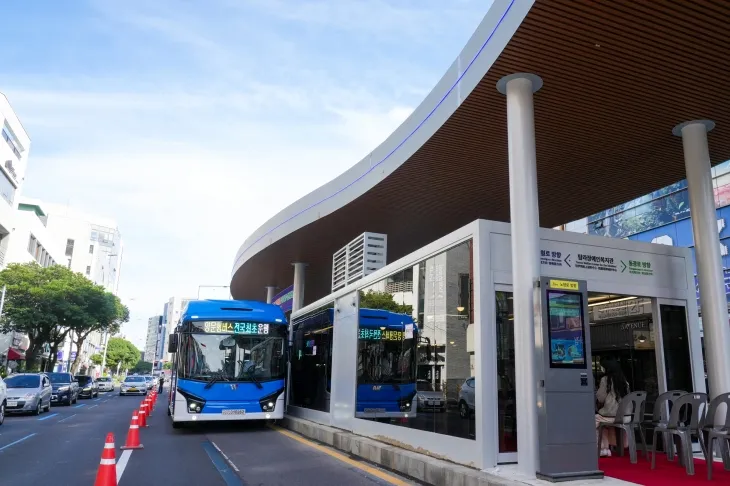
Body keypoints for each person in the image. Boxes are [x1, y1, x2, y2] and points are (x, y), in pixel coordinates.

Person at [595, 359, 630, 457]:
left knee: (595, 421)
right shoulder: (624, 381)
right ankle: (619, 444)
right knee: (605, 424)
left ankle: (603, 448)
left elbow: (600, 398)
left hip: (611, 416)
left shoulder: (606, 380)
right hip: (626, 417)